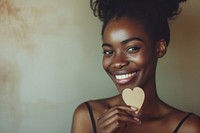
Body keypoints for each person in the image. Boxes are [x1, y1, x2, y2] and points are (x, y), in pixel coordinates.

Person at [71, 0, 200, 132]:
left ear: (159, 48)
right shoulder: (87, 116)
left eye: (132, 48)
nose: (117, 62)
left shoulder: (189, 127)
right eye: (109, 52)